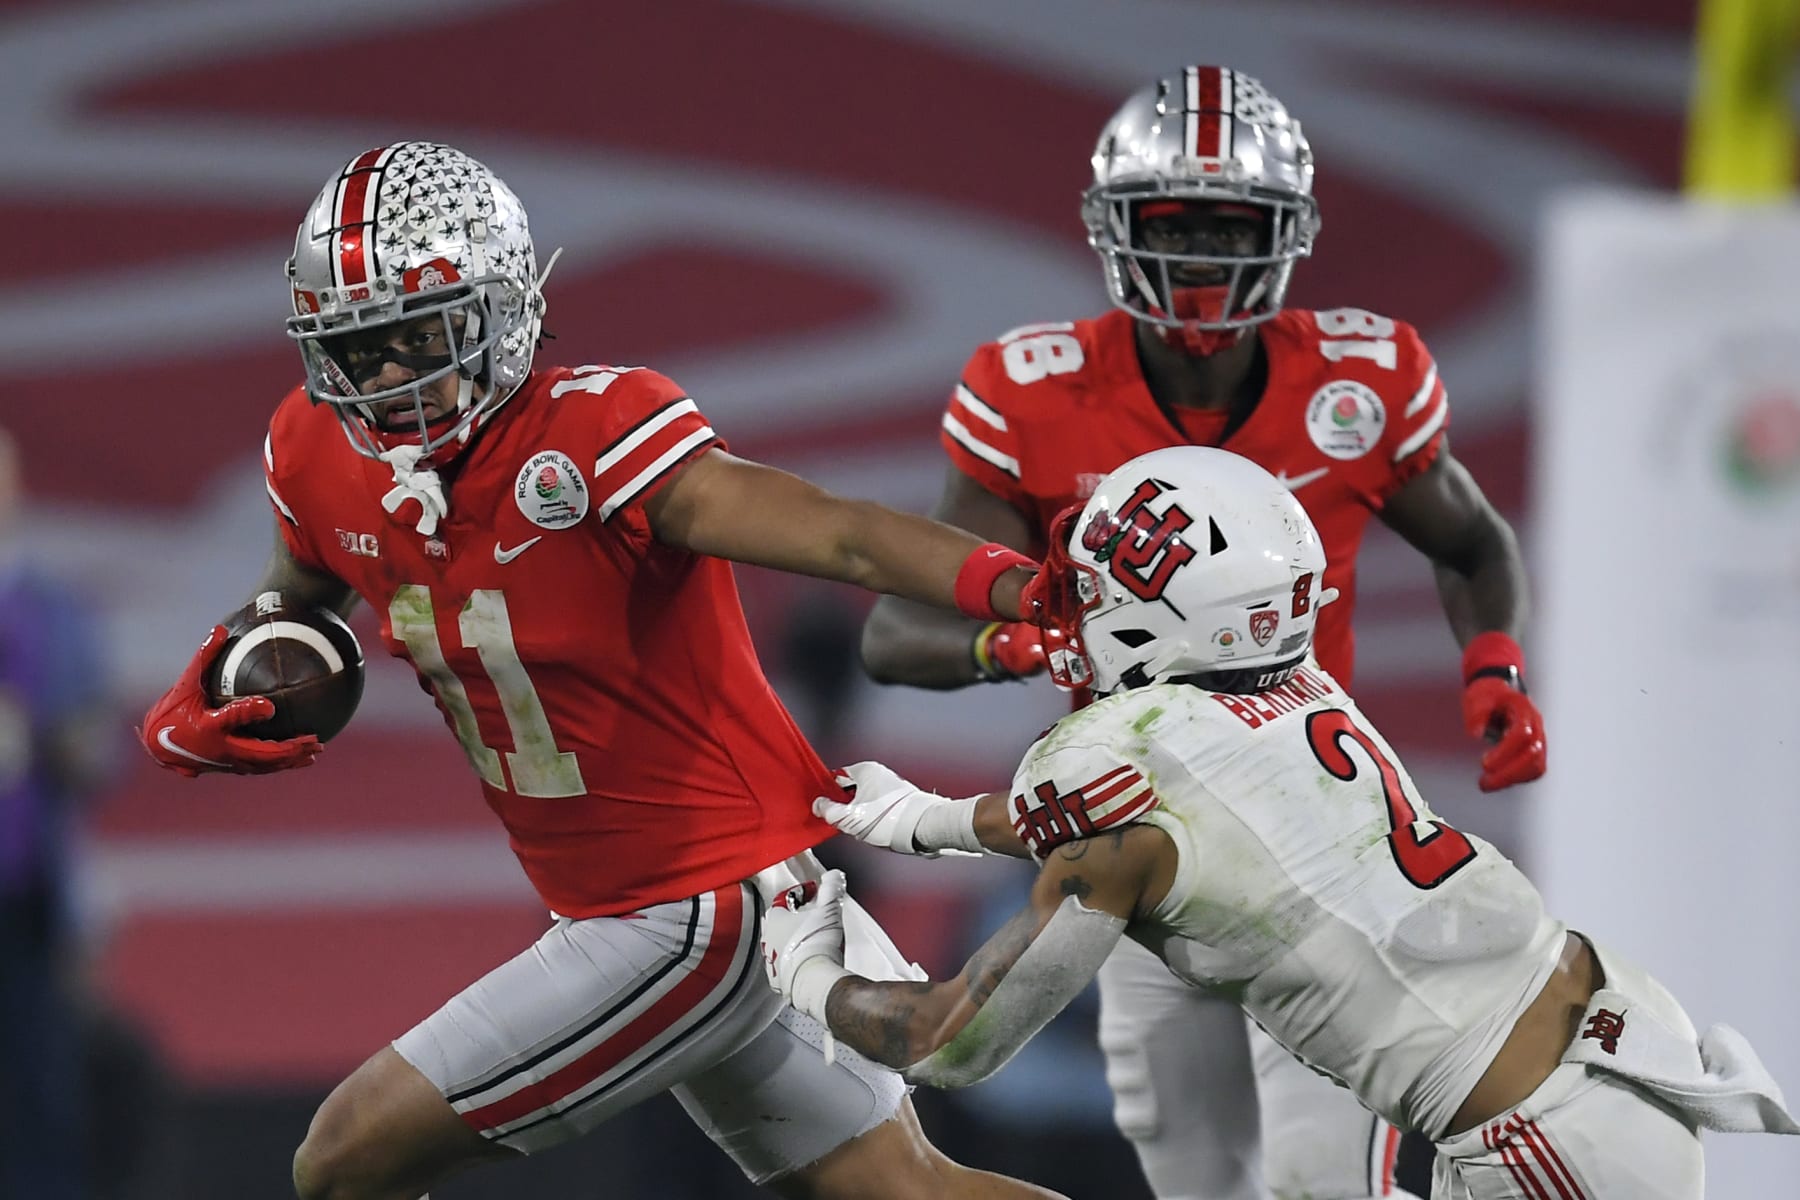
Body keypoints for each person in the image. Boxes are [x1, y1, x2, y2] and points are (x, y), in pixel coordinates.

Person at [137, 141, 1063, 1200]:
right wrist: (218, 678)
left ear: (503, 308)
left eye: (417, 335)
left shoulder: (592, 431)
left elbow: (837, 533)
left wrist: (1020, 584)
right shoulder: (313, 452)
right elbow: (294, 602)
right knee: (909, 1192)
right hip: (667, 897)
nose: (392, 375)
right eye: (361, 346)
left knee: (347, 1157)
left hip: (696, 905)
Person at [767, 446, 1800, 1200]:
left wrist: (803, 970)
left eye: (1092, 592)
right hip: (1614, 1031)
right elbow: (1146, 807)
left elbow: (952, 1045)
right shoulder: (1305, 690)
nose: (1068, 616)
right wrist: (928, 820)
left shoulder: (1116, 790)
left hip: (1540, 1140)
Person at [859, 66, 1544, 1199]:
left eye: (1234, 230)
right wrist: (1026, 643)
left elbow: (1472, 542)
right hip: (1141, 850)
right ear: (1113, 230)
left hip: (1324, 854)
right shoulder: (1030, 393)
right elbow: (897, 631)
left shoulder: (1357, 384)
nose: (1203, 263)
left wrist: (1495, 666)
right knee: (1198, 1184)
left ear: (1290, 235)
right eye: (1173, 229)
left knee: (1331, 1188)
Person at [0, 427, 118, 1200]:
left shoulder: (47, 610)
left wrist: (40, 732)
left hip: (24, 898)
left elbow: (95, 749)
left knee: (35, 1095)